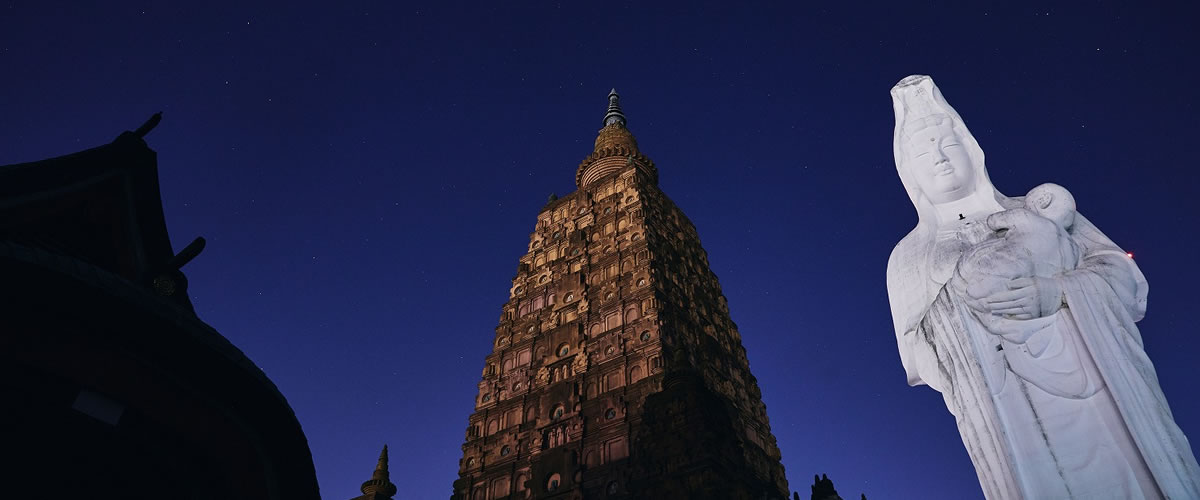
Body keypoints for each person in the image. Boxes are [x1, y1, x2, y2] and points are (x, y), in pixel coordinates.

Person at [885, 75, 1200, 499]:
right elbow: (920, 356)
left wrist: (1060, 292)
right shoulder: (910, 256)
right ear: (911, 172)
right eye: (924, 152)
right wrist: (964, 309)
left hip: (1105, 390)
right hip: (1009, 414)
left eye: (948, 144)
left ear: (972, 151)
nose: (939, 158)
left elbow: (1126, 279)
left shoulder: (1038, 210)